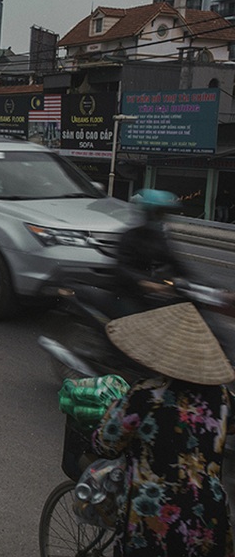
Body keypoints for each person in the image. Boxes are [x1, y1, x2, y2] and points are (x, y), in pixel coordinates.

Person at [92, 302, 235, 556]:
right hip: (209, 517)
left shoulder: (147, 394)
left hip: (155, 519)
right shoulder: (223, 397)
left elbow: (107, 442)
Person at [114, 189, 189, 314]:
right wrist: (145, 283)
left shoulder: (158, 237)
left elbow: (175, 262)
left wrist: (209, 289)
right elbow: (122, 269)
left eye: (163, 214)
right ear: (147, 213)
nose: (161, 218)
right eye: (159, 213)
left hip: (150, 294)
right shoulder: (129, 237)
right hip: (128, 294)